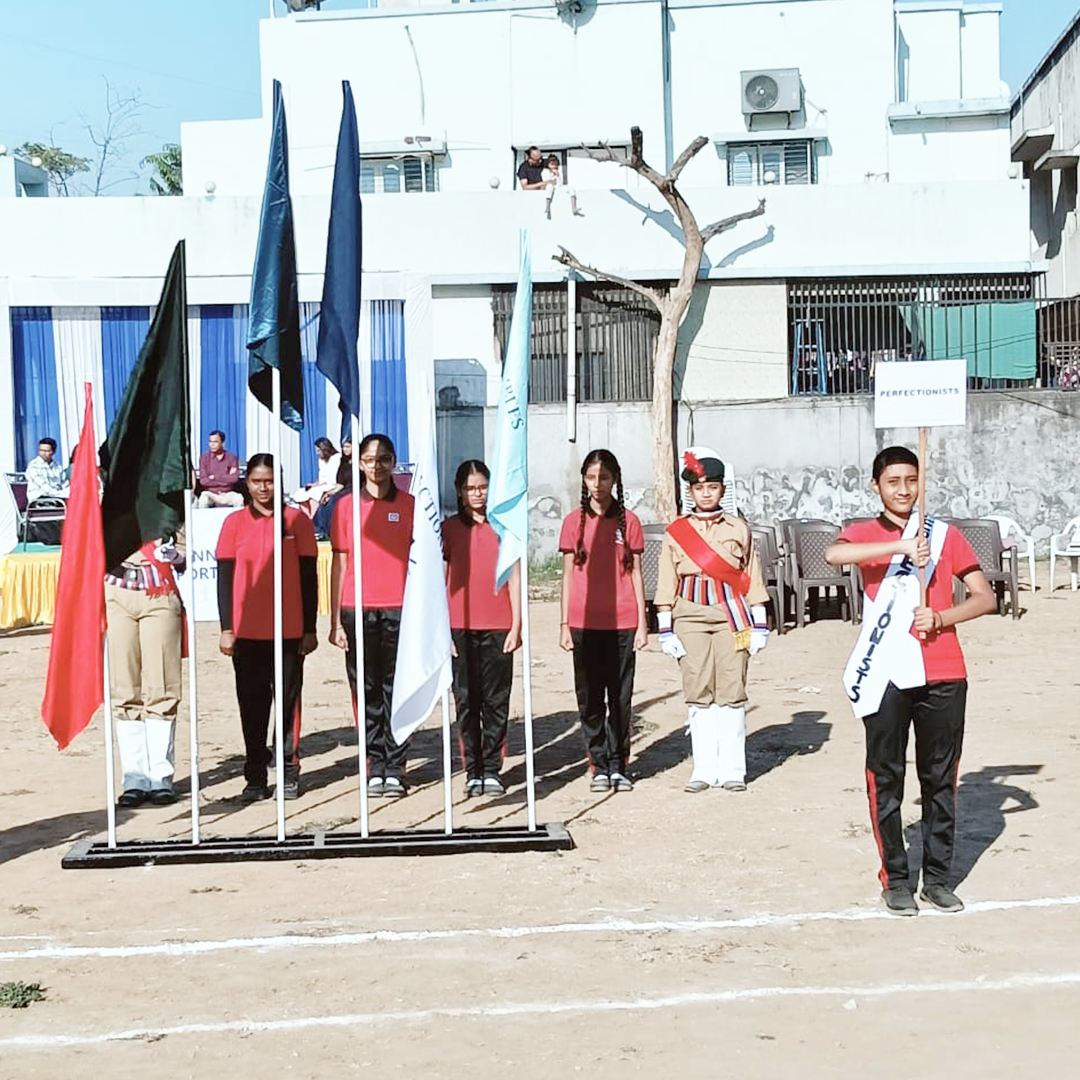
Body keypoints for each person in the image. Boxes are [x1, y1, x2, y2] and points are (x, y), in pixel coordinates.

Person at [825, 445, 996, 917]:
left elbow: (984, 598)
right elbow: (834, 554)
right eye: (893, 481)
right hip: (886, 671)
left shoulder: (945, 536)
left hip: (944, 669)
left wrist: (941, 616)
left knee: (940, 778)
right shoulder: (864, 534)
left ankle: (938, 878)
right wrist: (900, 546)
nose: (904, 489)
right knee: (886, 775)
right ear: (876, 486)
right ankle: (896, 878)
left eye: (911, 480)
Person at [655, 450, 770, 794]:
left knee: (732, 688)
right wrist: (664, 627)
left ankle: (733, 768)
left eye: (713, 487)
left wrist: (760, 623)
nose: (706, 493)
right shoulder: (677, 532)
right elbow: (666, 579)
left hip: (730, 616)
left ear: (723, 490)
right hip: (689, 615)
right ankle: (703, 769)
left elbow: (752, 575)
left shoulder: (739, 528)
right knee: (698, 689)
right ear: (690, 491)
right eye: (699, 488)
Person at [216, 454, 319, 802]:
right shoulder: (233, 523)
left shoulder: (296, 521)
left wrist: (309, 628)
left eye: (270, 481)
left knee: (288, 704)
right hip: (247, 633)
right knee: (252, 707)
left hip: (289, 631)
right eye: (258, 481)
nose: (264, 488)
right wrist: (226, 628)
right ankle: (255, 776)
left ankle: (289, 771)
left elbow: (309, 577)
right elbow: (225, 580)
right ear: (247, 483)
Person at [329, 434, 415, 797]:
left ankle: (395, 766)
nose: (375, 465)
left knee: (396, 690)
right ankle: (373, 764)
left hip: (400, 609)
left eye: (383, 458)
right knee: (365, 690)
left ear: (393, 462)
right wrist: (334, 620)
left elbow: (422, 563)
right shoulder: (345, 507)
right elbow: (340, 562)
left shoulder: (410, 506)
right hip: (357, 609)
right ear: (358, 463)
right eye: (368, 459)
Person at [558, 449, 647, 792]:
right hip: (583, 623)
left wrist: (642, 623)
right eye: (592, 477)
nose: (598, 485)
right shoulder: (572, 523)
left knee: (620, 699)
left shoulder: (630, 522)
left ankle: (619, 764)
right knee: (590, 698)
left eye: (604, 477)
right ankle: (598, 764)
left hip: (623, 623)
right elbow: (567, 576)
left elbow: (637, 574)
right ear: (583, 479)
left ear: (615, 480)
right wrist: (564, 624)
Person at [443, 460, 522, 797]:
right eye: (471, 488)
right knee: (466, 701)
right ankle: (472, 769)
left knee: (495, 701)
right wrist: (442, 631)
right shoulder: (446, 530)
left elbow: (515, 576)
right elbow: (438, 581)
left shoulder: (506, 527)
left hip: (498, 625)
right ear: (461, 492)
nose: (478, 494)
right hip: (459, 627)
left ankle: (491, 769)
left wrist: (516, 623)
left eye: (483, 487)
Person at [105, 534, 187, 807]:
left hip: (158, 590)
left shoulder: (169, 500)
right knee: (124, 687)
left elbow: (188, 551)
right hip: (117, 590)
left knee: (162, 686)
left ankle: (160, 776)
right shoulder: (109, 500)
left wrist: (175, 556)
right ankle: (134, 777)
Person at [25, 437, 67, 544]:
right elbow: (46, 489)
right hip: (40, 501)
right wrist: (64, 494)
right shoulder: (33, 467)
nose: (43, 453)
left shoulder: (57, 467)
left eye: (47, 451)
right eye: (41, 450)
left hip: (57, 499)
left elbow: (64, 484)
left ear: (53, 452)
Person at [291, 437, 341, 518]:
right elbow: (321, 478)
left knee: (314, 494)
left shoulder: (336, 458)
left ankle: (313, 518)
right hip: (322, 485)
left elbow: (332, 479)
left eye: (318, 450)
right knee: (301, 493)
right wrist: (313, 484)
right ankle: (307, 517)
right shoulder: (321, 460)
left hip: (332, 485)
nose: (317, 453)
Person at [196, 430, 244, 508]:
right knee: (203, 499)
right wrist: (225, 478)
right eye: (210, 442)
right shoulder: (204, 458)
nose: (212, 445)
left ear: (222, 443)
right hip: (211, 493)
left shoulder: (231, 458)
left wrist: (214, 477)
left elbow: (234, 478)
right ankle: (203, 520)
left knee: (239, 498)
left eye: (215, 442)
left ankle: (238, 520)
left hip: (228, 493)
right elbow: (203, 481)